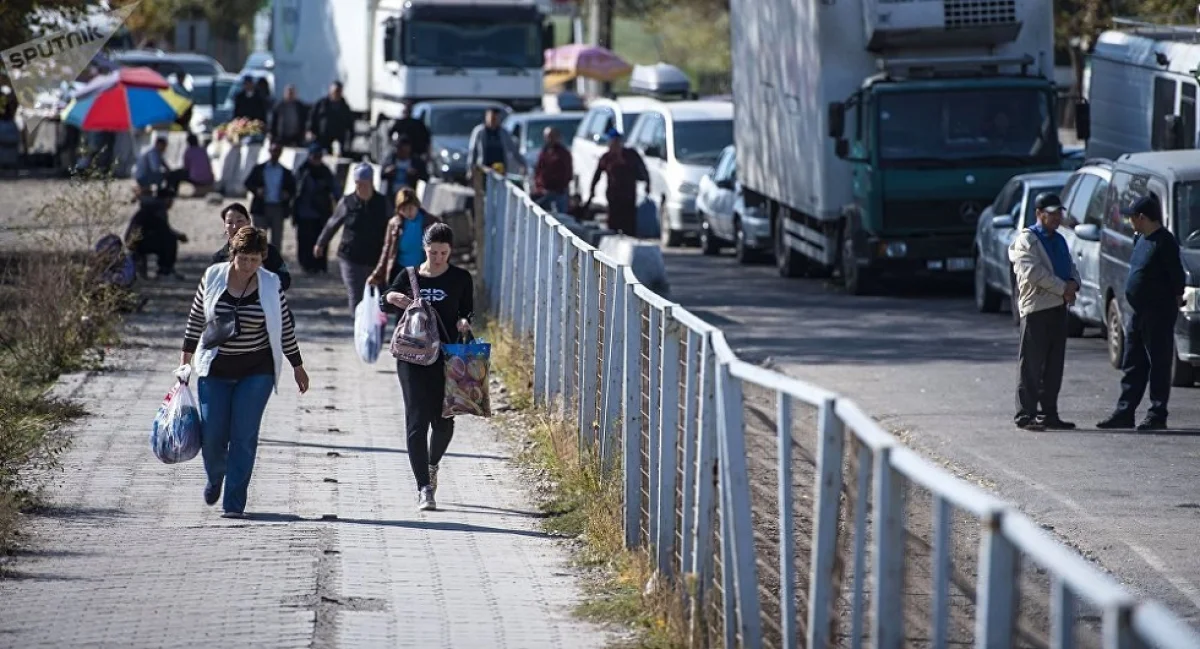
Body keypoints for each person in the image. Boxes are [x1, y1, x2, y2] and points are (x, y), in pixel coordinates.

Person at [182, 226, 309, 518]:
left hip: (256, 369)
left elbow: (284, 327)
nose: (249, 265)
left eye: (255, 259)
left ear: (262, 258)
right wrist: (184, 361)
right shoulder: (213, 277)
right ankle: (216, 475)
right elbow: (195, 320)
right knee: (212, 434)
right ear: (233, 253)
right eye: (244, 259)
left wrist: (297, 366)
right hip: (215, 367)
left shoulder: (270, 283)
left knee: (244, 435)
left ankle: (234, 503)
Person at [379, 223, 474, 511]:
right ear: (425, 249)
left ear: (451, 251)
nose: (437, 258)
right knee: (417, 422)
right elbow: (386, 300)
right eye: (433, 252)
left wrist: (464, 322)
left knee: (443, 422)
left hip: (446, 357)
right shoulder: (409, 275)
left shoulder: (460, 277)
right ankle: (424, 487)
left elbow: (466, 309)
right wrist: (392, 297)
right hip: (412, 358)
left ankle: (432, 465)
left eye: (443, 253)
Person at [1097, 195, 1187, 431]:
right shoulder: (1141, 239)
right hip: (1138, 312)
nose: (1130, 222)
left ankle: (1157, 413)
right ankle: (1125, 411)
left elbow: (1177, 277)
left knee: (1158, 362)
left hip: (1158, 312)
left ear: (1143, 217)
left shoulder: (1164, 242)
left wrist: (1173, 299)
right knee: (1133, 361)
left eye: (1132, 218)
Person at [1008, 193, 1081, 431]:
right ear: (1039, 214)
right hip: (1037, 308)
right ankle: (1025, 414)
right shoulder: (1027, 240)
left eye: (1059, 213)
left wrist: (1074, 284)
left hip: (1059, 307)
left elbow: (1071, 266)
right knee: (1031, 364)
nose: (1056, 217)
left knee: (1053, 366)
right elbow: (1033, 273)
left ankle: (1049, 413)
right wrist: (1064, 288)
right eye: (1051, 213)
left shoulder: (1059, 239)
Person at [315, 163, 391, 312]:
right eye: (357, 183)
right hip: (350, 257)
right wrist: (321, 243)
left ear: (371, 182)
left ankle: (376, 333)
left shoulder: (383, 203)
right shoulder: (347, 202)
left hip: (376, 258)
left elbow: (394, 225)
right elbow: (333, 223)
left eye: (364, 183)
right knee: (356, 296)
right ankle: (358, 331)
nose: (360, 187)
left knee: (377, 299)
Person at [368, 187, 443, 288]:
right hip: (400, 273)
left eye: (410, 208)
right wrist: (376, 274)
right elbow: (386, 251)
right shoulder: (394, 224)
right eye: (403, 209)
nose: (408, 212)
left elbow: (443, 249)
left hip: (424, 272)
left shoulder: (431, 222)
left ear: (417, 205)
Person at [212, 203, 292, 291]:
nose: (235, 226)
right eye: (230, 222)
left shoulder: (269, 251)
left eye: (239, 221)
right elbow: (212, 287)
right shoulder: (219, 257)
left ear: (248, 221)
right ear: (224, 226)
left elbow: (285, 281)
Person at [586, 128, 649, 236]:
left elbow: (643, 170)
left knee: (629, 224)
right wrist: (592, 191)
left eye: (617, 141)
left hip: (628, 195)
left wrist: (648, 184)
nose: (615, 145)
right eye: (612, 142)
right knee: (613, 224)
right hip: (613, 196)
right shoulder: (607, 157)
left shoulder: (631, 155)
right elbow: (597, 174)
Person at [293, 144, 339, 274]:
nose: (317, 159)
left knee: (321, 240)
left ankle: (319, 266)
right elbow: (295, 190)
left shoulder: (325, 172)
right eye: (314, 156)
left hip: (321, 213)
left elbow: (335, 189)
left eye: (319, 157)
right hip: (304, 213)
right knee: (304, 241)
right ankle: (306, 265)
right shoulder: (302, 171)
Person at [125, 184, 186, 280]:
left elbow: (159, 227)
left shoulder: (153, 206)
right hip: (136, 242)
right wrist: (178, 236)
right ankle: (165, 271)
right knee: (170, 240)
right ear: (166, 199)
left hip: (133, 240)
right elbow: (163, 230)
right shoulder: (158, 208)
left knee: (168, 237)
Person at [243, 141, 296, 250]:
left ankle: (274, 264)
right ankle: (258, 263)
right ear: (269, 151)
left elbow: (293, 188)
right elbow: (248, 183)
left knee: (277, 240)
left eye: (277, 151)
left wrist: (287, 194)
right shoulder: (260, 169)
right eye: (273, 151)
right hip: (261, 206)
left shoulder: (285, 171)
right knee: (260, 239)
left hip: (278, 207)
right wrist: (257, 190)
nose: (275, 153)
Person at [466, 108, 522, 179]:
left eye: (496, 118)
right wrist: (470, 169)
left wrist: (522, 164)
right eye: (491, 118)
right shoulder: (479, 132)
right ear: (487, 117)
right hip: (483, 169)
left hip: (500, 169)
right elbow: (473, 151)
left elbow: (513, 150)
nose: (493, 120)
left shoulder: (503, 132)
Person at [380, 135, 427, 211]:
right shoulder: (391, 159)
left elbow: (425, 177)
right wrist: (388, 172)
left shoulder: (416, 161)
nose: (402, 152)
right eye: (399, 149)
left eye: (404, 150)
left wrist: (414, 174)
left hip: (409, 196)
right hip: (392, 195)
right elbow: (382, 174)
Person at [533, 126, 573, 215]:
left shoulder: (563, 153)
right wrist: (539, 186)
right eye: (547, 137)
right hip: (545, 191)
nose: (549, 139)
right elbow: (539, 170)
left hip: (559, 192)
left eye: (552, 136)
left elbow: (568, 172)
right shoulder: (544, 152)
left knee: (561, 217)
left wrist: (562, 186)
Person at [307, 81, 353, 154]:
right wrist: (309, 130)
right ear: (330, 91)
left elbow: (350, 124)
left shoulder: (345, 107)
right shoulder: (321, 104)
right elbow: (312, 117)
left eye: (339, 91)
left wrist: (350, 139)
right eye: (335, 91)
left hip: (338, 139)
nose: (336, 94)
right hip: (322, 138)